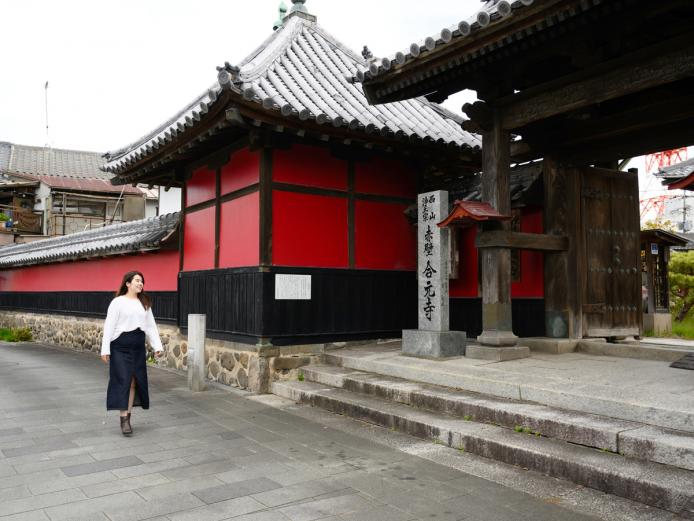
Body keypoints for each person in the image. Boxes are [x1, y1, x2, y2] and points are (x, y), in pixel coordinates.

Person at [101, 271, 164, 436]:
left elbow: (150, 326)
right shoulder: (117, 302)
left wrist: (157, 346)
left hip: (138, 347)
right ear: (127, 283)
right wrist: (105, 349)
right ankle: (123, 420)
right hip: (120, 347)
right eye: (137, 280)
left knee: (135, 382)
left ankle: (128, 416)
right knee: (124, 380)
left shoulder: (144, 303)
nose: (140, 283)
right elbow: (109, 326)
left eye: (142, 281)